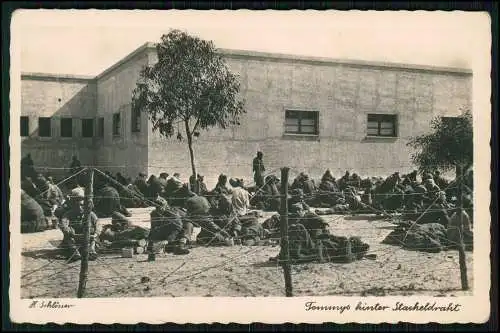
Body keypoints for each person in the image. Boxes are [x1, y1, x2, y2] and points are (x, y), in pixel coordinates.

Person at [58, 187, 98, 262]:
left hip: (88, 238)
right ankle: (75, 252)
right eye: (77, 205)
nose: (80, 208)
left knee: (94, 239)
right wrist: (69, 231)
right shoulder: (68, 214)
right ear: (72, 204)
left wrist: (95, 234)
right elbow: (64, 225)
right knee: (68, 238)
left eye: (81, 205)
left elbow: (98, 224)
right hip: (74, 238)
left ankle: (92, 251)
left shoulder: (90, 214)